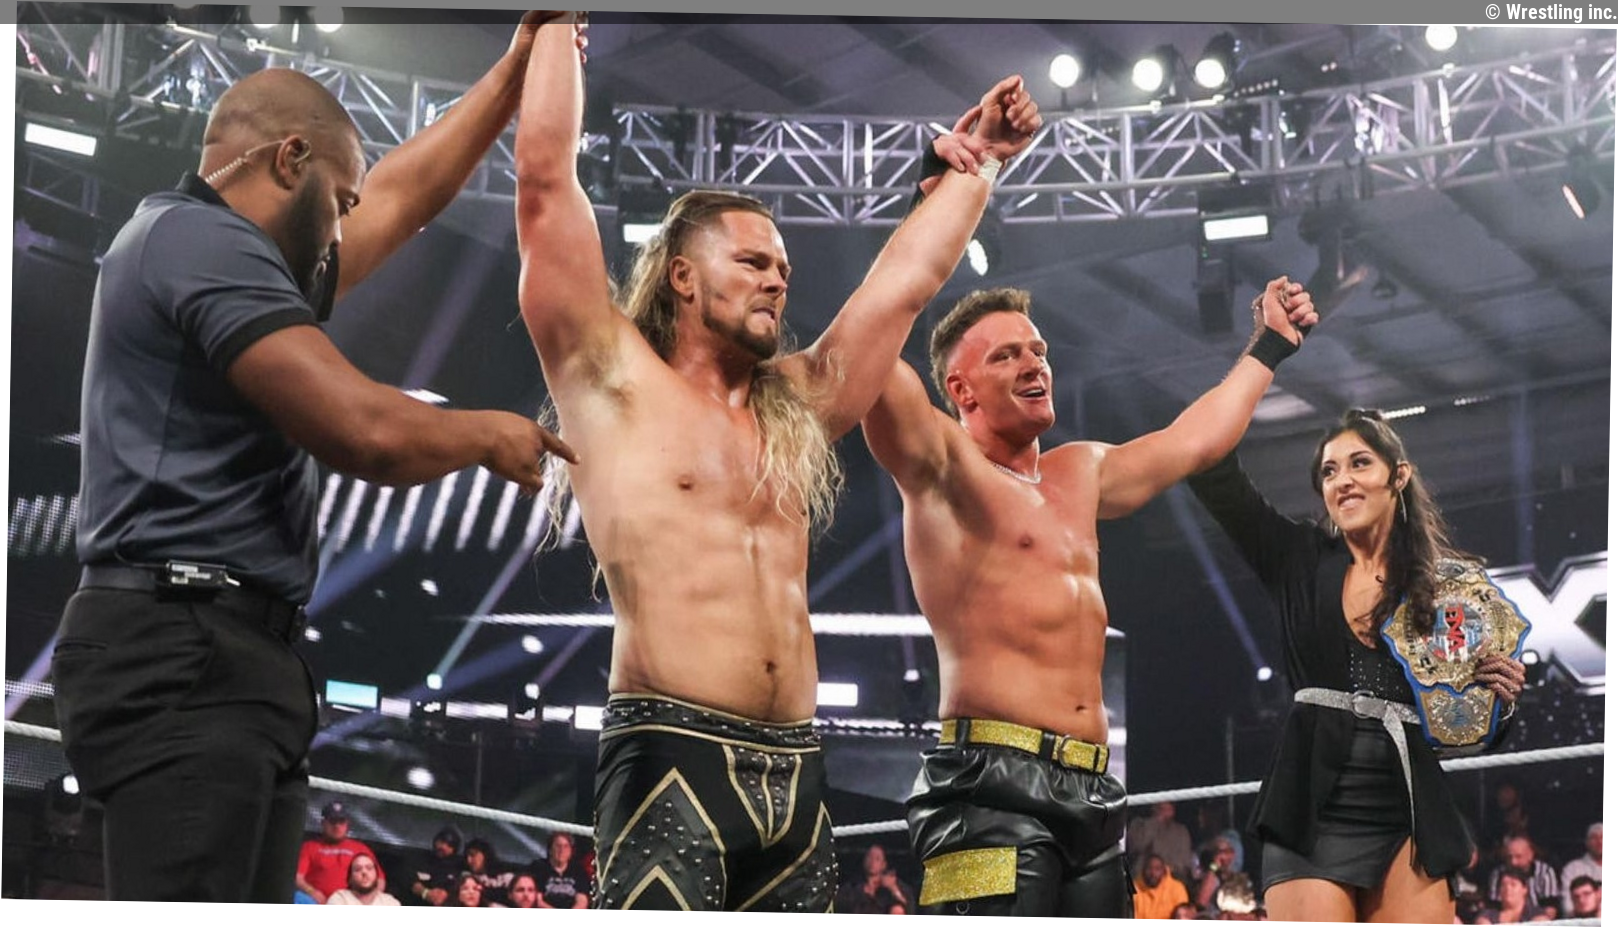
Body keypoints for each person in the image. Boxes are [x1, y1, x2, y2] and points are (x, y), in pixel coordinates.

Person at [47, 13, 578, 903]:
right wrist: (490, 434)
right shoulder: (195, 239)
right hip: (183, 647)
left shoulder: (230, 254)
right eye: (338, 200)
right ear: (290, 161)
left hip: (228, 652)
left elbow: (403, 197)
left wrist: (513, 73)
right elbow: (360, 429)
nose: (343, 228)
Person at [512, 16, 1039, 912]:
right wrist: (558, 29)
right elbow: (544, 185)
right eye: (752, 261)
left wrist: (978, 165)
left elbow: (901, 287)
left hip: (796, 770)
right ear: (682, 276)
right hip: (668, 751)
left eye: (784, 267)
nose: (776, 279)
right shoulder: (611, 377)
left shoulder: (794, 403)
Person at [860, 276, 1316, 916]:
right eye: (1006, 355)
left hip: (1093, 791)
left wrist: (1268, 347)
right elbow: (868, 351)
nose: (1033, 363)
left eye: (1038, 350)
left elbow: (1193, 441)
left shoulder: (1080, 471)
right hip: (988, 786)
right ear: (961, 390)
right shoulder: (942, 470)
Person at [1185, 407, 1529, 922]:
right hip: (1311, 807)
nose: (1342, 479)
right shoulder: (1297, 560)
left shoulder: (1445, 591)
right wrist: (1265, 363)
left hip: (1407, 805)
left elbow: (1465, 725)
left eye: (1359, 463)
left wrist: (1499, 700)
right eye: (1329, 471)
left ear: (1399, 476)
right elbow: (1211, 469)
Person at [296, 801, 384, 904]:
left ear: (347, 824)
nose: (337, 826)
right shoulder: (309, 847)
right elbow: (297, 877)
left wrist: (367, 899)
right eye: (332, 821)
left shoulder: (360, 848)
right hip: (315, 902)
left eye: (341, 822)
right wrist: (311, 892)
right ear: (323, 823)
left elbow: (380, 880)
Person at [835, 843, 915, 915]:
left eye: (877, 858)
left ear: (884, 864)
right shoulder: (853, 886)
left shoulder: (896, 885)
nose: (872, 861)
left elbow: (909, 909)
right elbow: (838, 904)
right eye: (869, 857)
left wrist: (894, 889)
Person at [411, 825, 465, 907]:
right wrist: (425, 892)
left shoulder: (458, 868)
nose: (443, 847)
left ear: (455, 849)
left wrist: (447, 896)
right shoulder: (420, 859)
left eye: (450, 845)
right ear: (435, 840)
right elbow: (407, 879)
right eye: (442, 841)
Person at [536, 831, 590, 910]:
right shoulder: (539, 868)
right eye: (558, 846)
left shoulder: (578, 870)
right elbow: (537, 901)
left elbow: (582, 901)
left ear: (571, 851)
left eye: (566, 846)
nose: (562, 850)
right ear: (550, 850)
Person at [325, 853, 400, 906]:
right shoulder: (339, 898)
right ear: (350, 878)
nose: (364, 872)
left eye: (369, 868)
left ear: (377, 876)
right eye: (357, 869)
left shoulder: (390, 902)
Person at [1134, 853, 1191, 921]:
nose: (1153, 873)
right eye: (1149, 868)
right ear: (1143, 870)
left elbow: (1184, 915)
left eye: (1157, 869)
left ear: (1164, 871)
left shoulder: (1177, 889)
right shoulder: (1134, 888)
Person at [1561, 821, 1602, 914]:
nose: (1600, 842)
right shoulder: (1572, 869)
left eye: (1602, 837)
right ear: (1587, 842)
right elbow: (1567, 905)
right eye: (1594, 838)